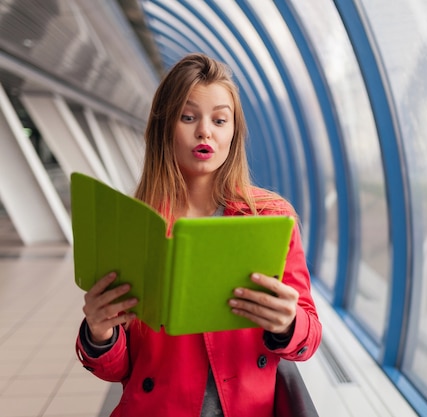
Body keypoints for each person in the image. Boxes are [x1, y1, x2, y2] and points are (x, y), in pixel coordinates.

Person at [75, 53, 322, 416]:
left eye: (220, 119)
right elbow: (118, 370)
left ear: (233, 131)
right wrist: (99, 333)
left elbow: (309, 338)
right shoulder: (136, 225)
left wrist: (288, 323)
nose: (205, 131)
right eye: (188, 117)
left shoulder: (268, 217)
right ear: (164, 126)